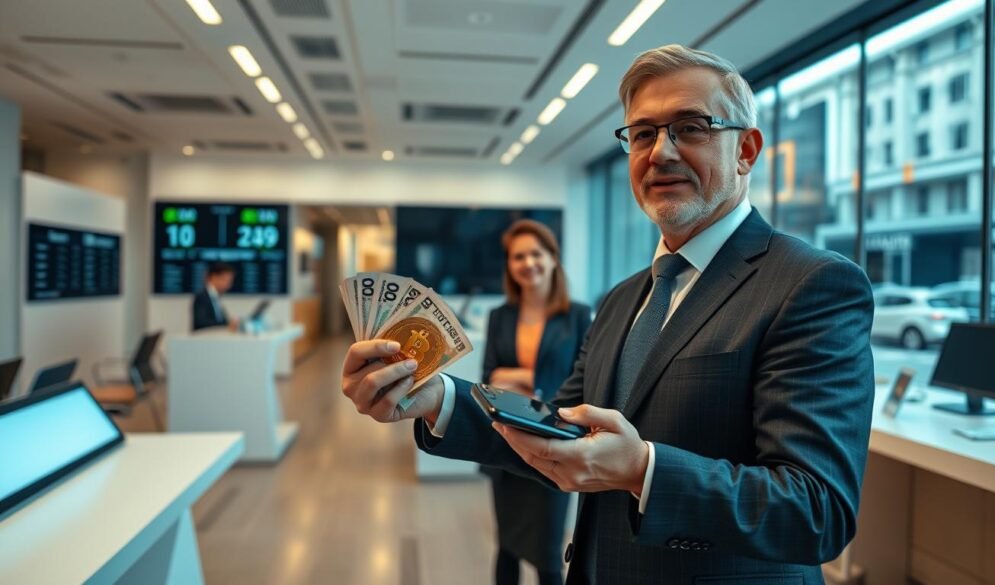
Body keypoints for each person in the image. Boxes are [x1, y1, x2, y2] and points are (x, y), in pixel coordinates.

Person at [341, 44, 874, 585]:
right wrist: (436, 399)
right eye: (643, 134)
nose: (661, 152)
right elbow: (557, 428)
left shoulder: (812, 284)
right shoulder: (622, 298)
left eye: (690, 127)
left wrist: (643, 469)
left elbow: (818, 511)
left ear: (746, 150)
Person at [483, 220, 591, 585]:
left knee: (547, 554)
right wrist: (529, 378)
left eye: (535, 253)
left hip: (554, 443)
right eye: (518, 256)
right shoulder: (501, 316)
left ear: (552, 258)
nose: (528, 262)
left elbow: (583, 377)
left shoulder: (577, 315)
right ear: (510, 266)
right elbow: (489, 379)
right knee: (507, 546)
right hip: (505, 442)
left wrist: (520, 377)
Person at [192, 262, 238, 331]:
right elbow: (201, 323)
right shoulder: (202, 297)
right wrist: (227, 324)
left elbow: (221, 320)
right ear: (214, 277)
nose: (229, 285)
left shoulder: (215, 298)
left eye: (230, 282)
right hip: (204, 339)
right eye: (226, 280)